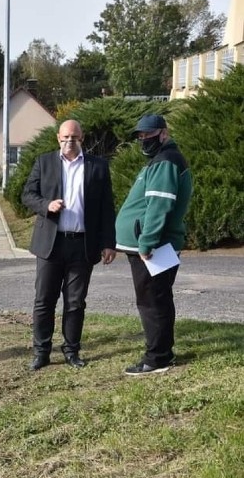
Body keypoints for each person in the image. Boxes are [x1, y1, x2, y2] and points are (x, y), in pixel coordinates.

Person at [22, 119, 117, 371]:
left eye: (73, 137)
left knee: (75, 302)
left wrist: (109, 242)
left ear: (81, 139)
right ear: (58, 138)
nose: (69, 142)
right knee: (44, 300)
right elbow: (27, 195)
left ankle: (71, 351)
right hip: (51, 245)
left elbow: (107, 207)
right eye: (64, 138)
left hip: (82, 245)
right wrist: (46, 206)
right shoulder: (44, 163)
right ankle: (41, 352)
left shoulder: (97, 167)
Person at [115, 114, 193, 376]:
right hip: (150, 246)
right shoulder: (160, 161)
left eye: (148, 135)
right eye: (140, 135)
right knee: (157, 299)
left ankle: (157, 358)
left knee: (152, 301)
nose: (144, 139)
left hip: (153, 247)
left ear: (163, 133)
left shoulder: (165, 162)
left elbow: (159, 205)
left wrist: (146, 242)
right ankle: (163, 352)